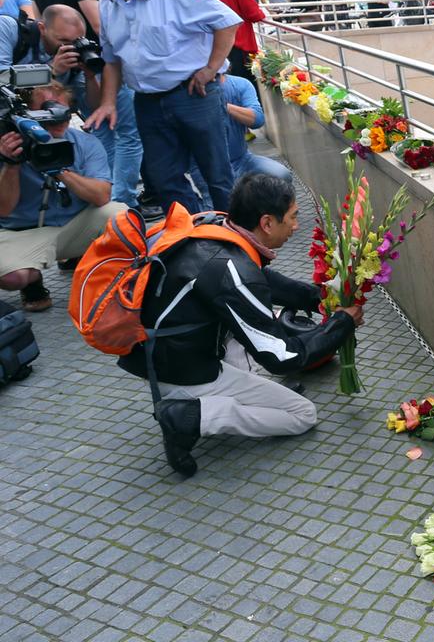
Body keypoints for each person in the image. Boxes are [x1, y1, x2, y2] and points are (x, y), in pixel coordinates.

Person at [120, 172, 362, 476]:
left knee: (258, 330)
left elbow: (261, 283)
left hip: (155, 351)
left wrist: (321, 299)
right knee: (301, 414)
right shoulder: (231, 269)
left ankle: (215, 394)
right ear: (266, 223)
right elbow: (282, 358)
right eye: (293, 217)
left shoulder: (213, 226)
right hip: (180, 369)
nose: (296, 226)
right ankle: (189, 416)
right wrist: (341, 323)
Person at [81, 0, 241, 214]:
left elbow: (227, 22)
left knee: (216, 176)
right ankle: (195, 238)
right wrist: (107, 102)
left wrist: (210, 68)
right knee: (164, 179)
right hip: (147, 101)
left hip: (194, 94)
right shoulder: (107, 2)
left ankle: (238, 243)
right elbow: (112, 59)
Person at [0, 4, 144, 211]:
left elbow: (92, 107)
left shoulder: (73, 58)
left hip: (45, 128)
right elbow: (2, 80)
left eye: (76, 41)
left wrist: (88, 74)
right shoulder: (9, 29)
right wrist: (51, 71)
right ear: (42, 28)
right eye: (63, 41)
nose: (69, 47)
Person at [0, 81, 128, 312]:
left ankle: (98, 272)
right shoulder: (9, 145)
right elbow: (3, 210)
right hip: (23, 230)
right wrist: (11, 165)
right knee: (12, 277)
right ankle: (32, 281)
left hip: (73, 226)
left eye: (63, 114)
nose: (57, 122)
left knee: (122, 217)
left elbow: (102, 196)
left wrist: (58, 166)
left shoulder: (84, 142)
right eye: (46, 113)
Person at [196, 0, 268, 93]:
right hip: (236, 44)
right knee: (243, 89)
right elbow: (254, 14)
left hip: (207, 41)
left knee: (220, 87)